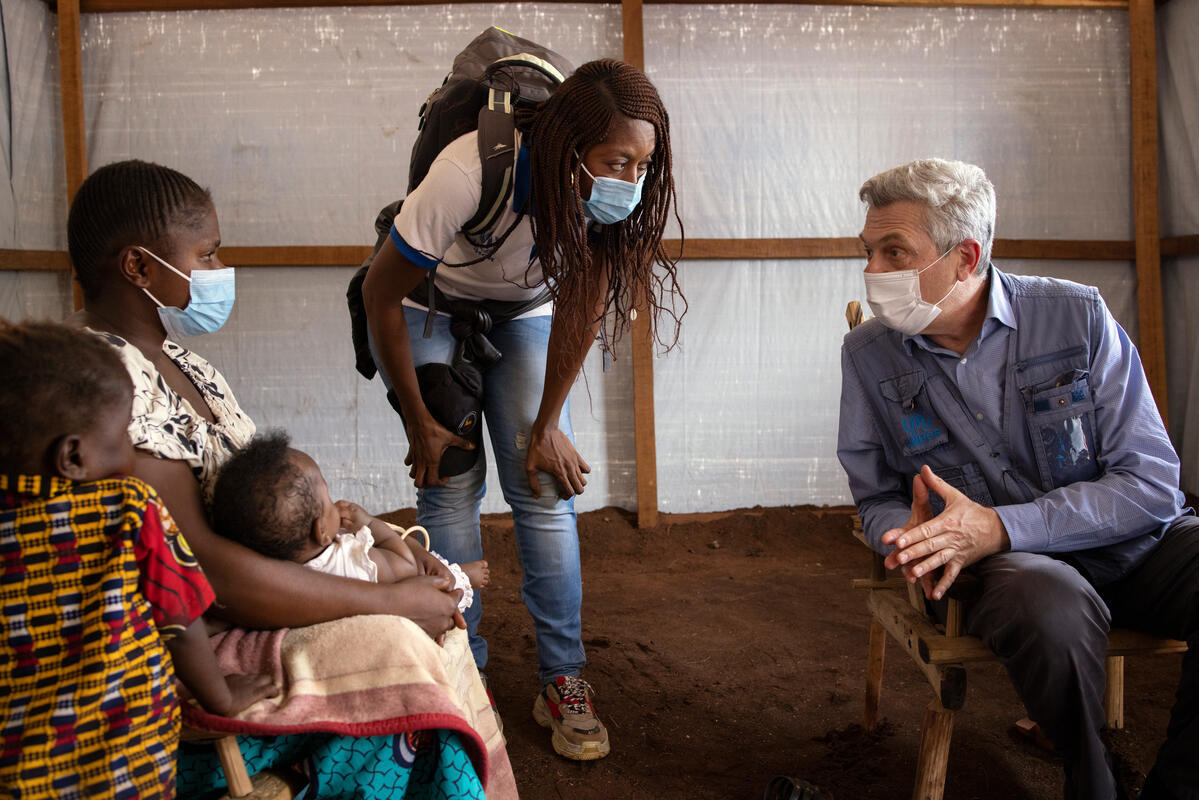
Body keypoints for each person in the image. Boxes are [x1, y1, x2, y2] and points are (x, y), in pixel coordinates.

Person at [65, 159, 515, 799]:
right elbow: (203, 572)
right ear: (138, 268)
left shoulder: (186, 366)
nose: (220, 273)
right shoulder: (107, 383)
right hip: (188, 650)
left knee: (422, 614)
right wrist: (387, 599)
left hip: (253, 605)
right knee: (397, 649)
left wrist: (389, 555)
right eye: (207, 254)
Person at [837, 157, 1198, 800]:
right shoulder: (869, 356)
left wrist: (1001, 524)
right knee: (1048, 607)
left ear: (965, 257)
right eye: (868, 252)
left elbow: (1151, 482)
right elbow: (876, 497)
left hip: (1134, 547)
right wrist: (910, 535)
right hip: (1013, 573)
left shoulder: (1077, 316)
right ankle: (1093, 779)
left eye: (895, 252)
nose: (873, 273)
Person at [363, 58, 685, 761]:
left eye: (642, 165)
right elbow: (380, 295)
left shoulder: (610, 206)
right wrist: (418, 419)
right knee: (447, 480)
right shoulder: (468, 170)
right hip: (432, 303)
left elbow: (581, 302)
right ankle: (461, 670)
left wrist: (545, 427)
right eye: (615, 162)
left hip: (526, 311)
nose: (629, 182)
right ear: (569, 149)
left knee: (543, 484)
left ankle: (562, 679)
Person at [0, 320, 278, 799]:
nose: (133, 452)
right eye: (123, 438)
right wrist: (221, 697)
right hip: (124, 758)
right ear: (73, 456)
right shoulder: (127, 509)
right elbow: (180, 620)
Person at [210, 429, 489, 611]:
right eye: (328, 499)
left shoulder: (276, 577)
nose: (336, 504)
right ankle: (464, 575)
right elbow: (405, 565)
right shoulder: (350, 560)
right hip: (408, 593)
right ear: (320, 531)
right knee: (442, 578)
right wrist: (368, 523)